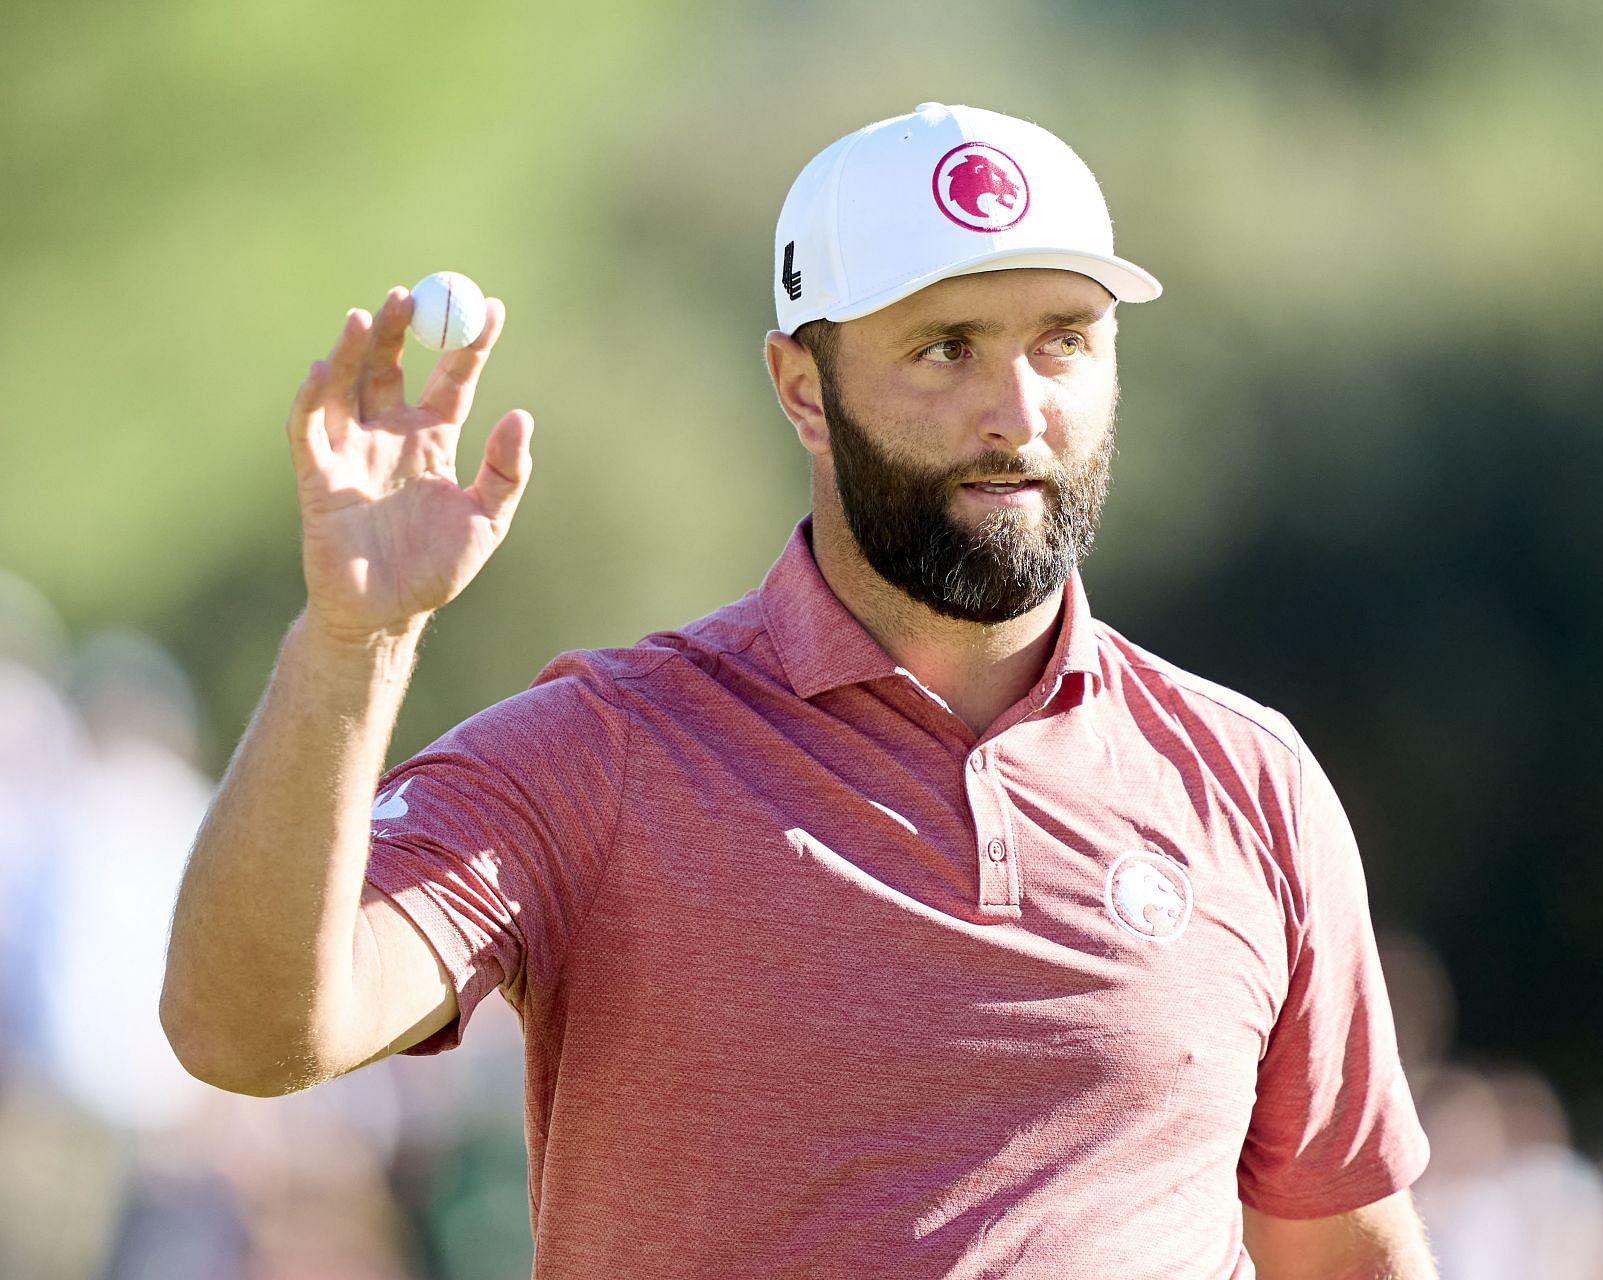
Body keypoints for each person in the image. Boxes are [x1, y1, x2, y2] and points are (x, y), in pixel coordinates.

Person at [161, 102, 1435, 1278]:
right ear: (801, 389)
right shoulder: (604, 750)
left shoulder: (1249, 781)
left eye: (1065, 341)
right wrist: (353, 640)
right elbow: (248, 1030)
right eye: (945, 348)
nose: (1018, 411)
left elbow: (1348, 1251)